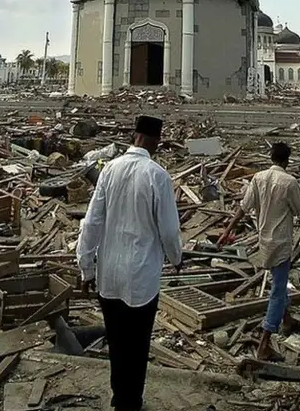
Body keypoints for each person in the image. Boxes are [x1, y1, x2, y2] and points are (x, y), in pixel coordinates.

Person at [77, 116, 182, 411]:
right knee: (137, 346)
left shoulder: (109, 169)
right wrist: (176, 258)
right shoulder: (157, 175)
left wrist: (86, 266)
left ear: (134, 136)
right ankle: (130, 401)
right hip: (142, 279)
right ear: (155, 142)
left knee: (118, 343)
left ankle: (118, 396)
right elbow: (170, 230)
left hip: (108, 276)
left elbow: (91, 221)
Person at [218, 142, 300, 361]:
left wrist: (227, 231)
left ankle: (287, 320)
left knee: (278, 282)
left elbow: (243, 208)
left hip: (264, 240)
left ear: (271, 157)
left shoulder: (258, 178)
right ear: (287, 160)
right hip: (280, 243)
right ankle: (264, 343)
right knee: (278, 291)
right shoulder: (289, 182)